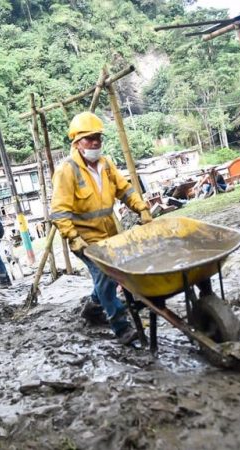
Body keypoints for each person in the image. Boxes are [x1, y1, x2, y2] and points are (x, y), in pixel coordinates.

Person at [50, 111, 153, 345]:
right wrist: (72, 237)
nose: (95, 142)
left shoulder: (106, 164)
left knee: (109, 277)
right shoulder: (67, 170)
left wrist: (142, 208)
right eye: (89, 138)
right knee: (106, 275)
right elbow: (59, 210)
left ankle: (93, 308)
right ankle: (122, 326)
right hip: (83, 238)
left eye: (98, 137)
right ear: (76, 143)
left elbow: (124, 189)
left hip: (109, 232)